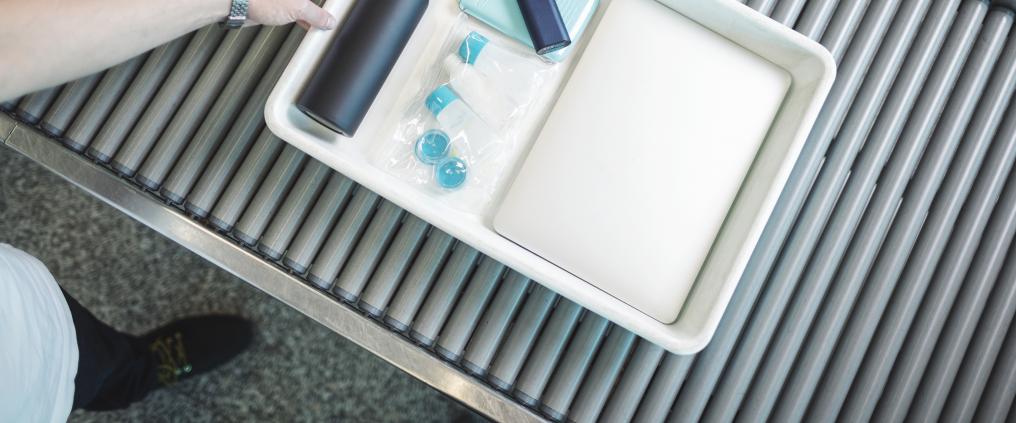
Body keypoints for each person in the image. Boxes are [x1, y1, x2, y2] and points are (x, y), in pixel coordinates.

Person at [0, 1, 337, 421]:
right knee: (92, 376)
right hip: (34, 387)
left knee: (83, 351)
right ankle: (136, 372)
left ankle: (129, 366)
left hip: (18, 325)